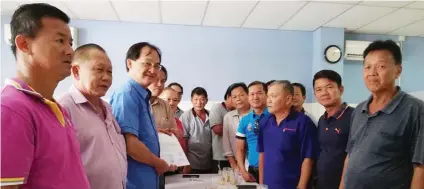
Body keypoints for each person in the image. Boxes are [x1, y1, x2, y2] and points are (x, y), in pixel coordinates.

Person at [1, 3, 90, 189]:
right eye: (60, 41)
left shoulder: (54, 107)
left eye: (70, 43)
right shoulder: (12, 109)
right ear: (24, 44)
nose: (70, 51)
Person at [340, 40, 424, 189]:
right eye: (367, 67)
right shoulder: (359, 110)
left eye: (381, 66)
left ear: (398, 70)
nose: (372, 73)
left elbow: (420, 166)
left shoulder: (415, 109)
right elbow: (350, 155)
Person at [58, 44, 127, 189]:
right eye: (99, 70)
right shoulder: (64, 108)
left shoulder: (107, 108)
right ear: (76, 71)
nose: (106, 77)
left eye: (109, 72)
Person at [110, 42, 176, 189]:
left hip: (148, 180)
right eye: (147, 63)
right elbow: (130, 144)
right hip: (135, 181)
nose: (153, 70)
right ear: (130, 63)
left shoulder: (142, 96)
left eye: (157, 66)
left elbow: (137, 134)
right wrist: (158, 163)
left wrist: (156, 133)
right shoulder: (127, 94)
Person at [258, 80, 319, 189]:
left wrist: (301, 186)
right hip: (268, 184)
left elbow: (308, 158)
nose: (269, 100)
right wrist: (261, 184)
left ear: (288, 99)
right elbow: (262, 154)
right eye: (268, 96)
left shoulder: (303, 122)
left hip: (292, 184)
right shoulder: (264, 122)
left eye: (273, 96)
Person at [312, 70, 354, 189]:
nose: (324, 93)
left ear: (341, 89)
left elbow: (354, 156)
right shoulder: (322, 119)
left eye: (329, 87)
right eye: (319, 89)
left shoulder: (354, 116)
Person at [235, 81, 269, 183]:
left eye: (259, 93)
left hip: (273, 170)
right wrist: (243, 171)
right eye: (252, 94)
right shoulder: (245, 120)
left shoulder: (275, 117)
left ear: (266, 95)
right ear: (248, 97)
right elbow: (240, 149)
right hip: (252, 171)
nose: (255, 97)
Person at [180, 87, 213, 174]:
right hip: (192, 162)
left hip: (209, 161)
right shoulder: (185, 116)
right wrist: (185, 163)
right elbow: (183, 140)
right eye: (196, 99)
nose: (199, 102)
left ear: (206, 100)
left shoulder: (211, 115)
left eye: (202, 99)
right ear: (191, 100)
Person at [223, 83, 250, 169]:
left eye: (241, 95)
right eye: (234, 97)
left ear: (248, 95)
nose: (238, 99)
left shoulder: (257, 114)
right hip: (237, 164)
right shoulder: (228, 117)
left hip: (256, 163)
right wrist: (234, 165)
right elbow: (226, 143)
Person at [148, 66, 180, 137]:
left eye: (162, 81)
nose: (159, 84)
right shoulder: (135, 102)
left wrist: (175, 132)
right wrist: (154, 131)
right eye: (156, 80)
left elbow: (175, 131)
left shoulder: (166, 105)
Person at [209, 84, 235, 172]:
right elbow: (217, 129)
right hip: (221, 157)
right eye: (234, 97)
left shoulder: (239, 111)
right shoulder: (217, 108)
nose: (238, 99)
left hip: (237, 156)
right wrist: (238, 128)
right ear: (228, 96)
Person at [159, 87, 187, 153]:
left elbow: (182, 147)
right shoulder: (151, 119)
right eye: (168, 99)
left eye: (175, 100)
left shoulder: (178, 122)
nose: (172, 103)